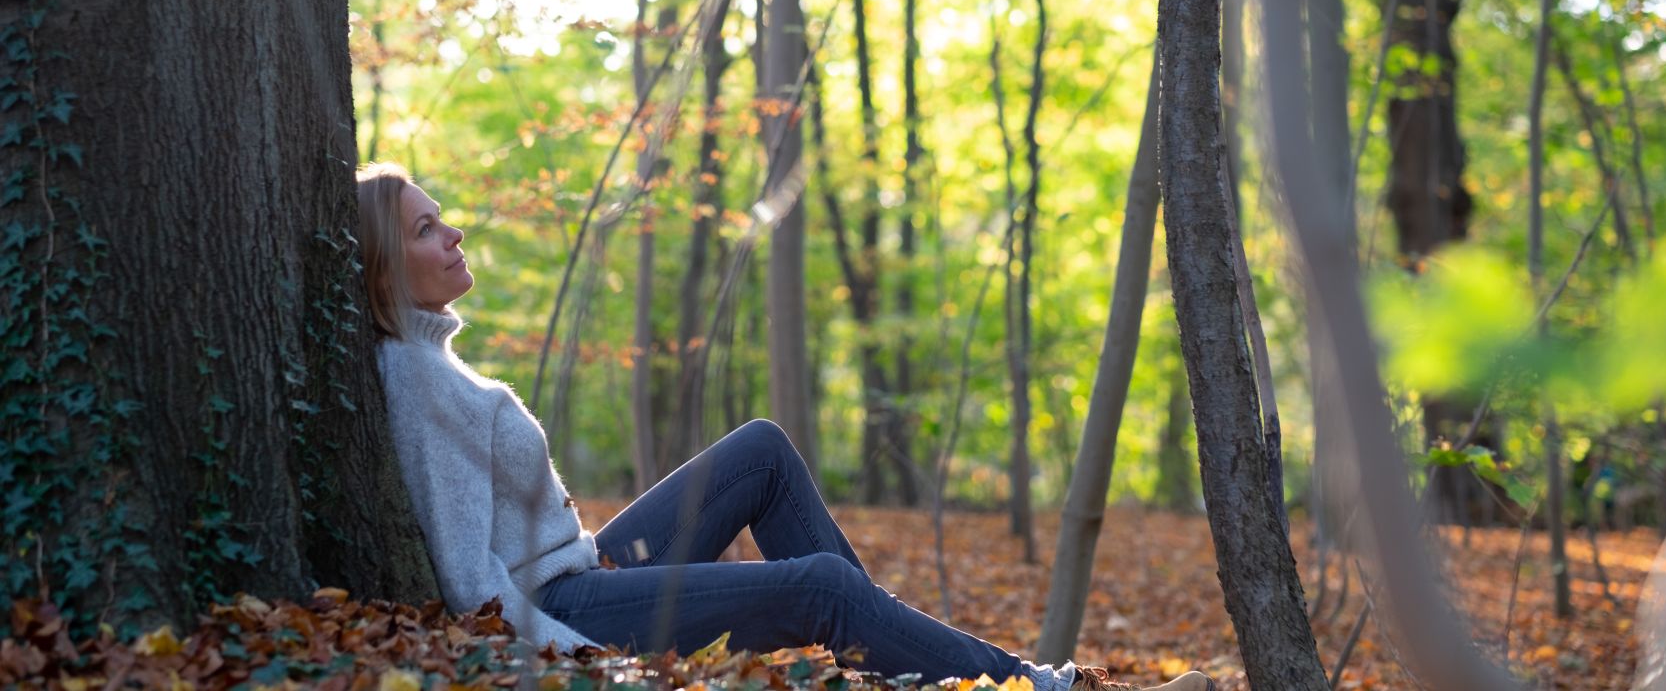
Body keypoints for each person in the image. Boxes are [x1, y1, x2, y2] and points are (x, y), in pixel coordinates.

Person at [355, 162, 1210, 691]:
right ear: (387, 265)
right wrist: (584, 664)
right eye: (427, 229)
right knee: (822, 590)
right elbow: (474, 586)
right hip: (568, 607)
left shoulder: (436, 365)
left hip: (586, 565)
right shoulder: (420, 381)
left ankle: (887, 651)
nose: (454, 231)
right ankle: (1035, 689)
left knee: (759, 449)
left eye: (443, 216)